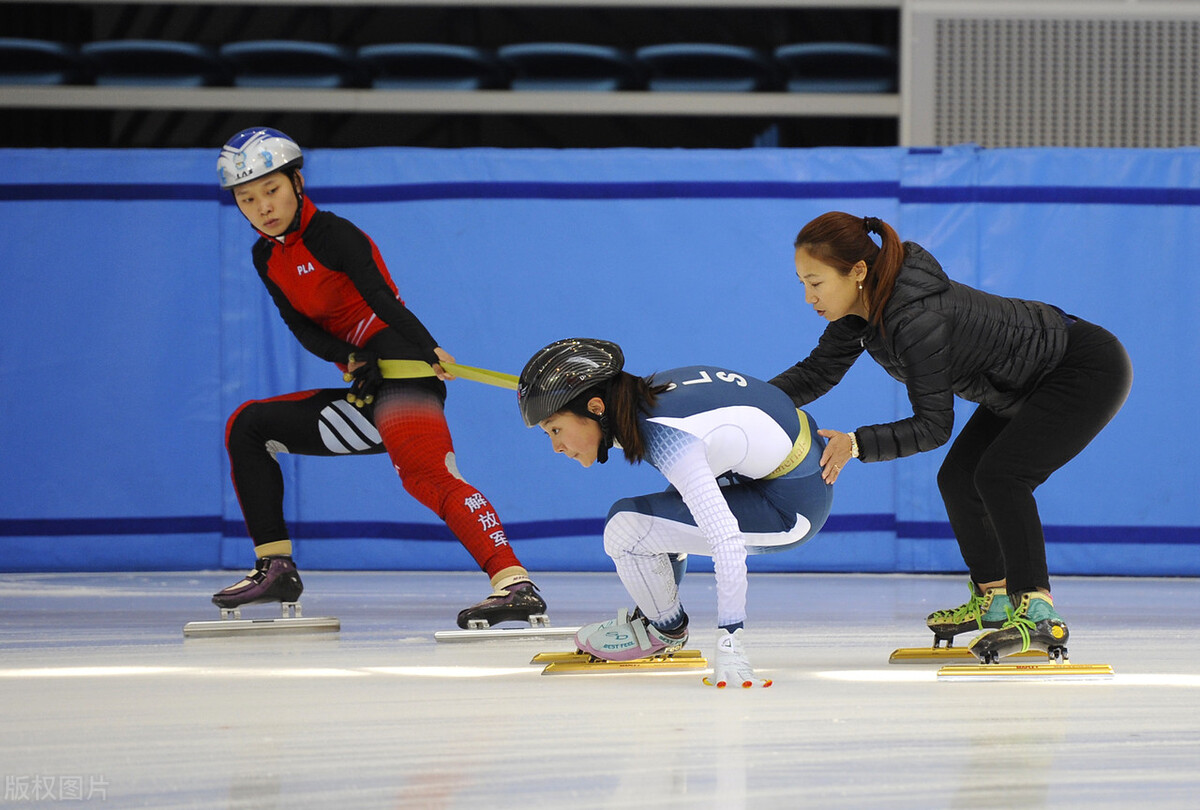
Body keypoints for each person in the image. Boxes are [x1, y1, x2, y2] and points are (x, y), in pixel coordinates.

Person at [212, 126, 546, 629]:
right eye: (247, 197)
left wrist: (427, 348)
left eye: (272, 190)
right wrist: (348, 356)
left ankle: (514, 584)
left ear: (297, 182)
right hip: (366, 385)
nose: (263, 206)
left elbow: (383, 300)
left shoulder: (335, 235)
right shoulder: (265, 256)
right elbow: (300, 327)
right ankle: (276, 567)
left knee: (428, 477)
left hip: (403, 367)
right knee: (249, 426)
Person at [771, 211, 1132, 662]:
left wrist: (857, 443)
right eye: (802, 283)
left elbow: (934, 426)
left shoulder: (915, 317)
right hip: (1019, 383)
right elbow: (816, 372)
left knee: (1003, 476)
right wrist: (748, 399)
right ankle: (996, 599)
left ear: (857, 271)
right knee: (960, 479)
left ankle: (1037, 611)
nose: (808, 297)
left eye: (815, 282)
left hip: (1082, 368)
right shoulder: (864, 311)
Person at [518, 338, 833, 687]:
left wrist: (731, 641)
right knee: (661, 514)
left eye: (556, 430)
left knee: (626, 528)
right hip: (785, 469)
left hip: (790, 509)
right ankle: (654, 617)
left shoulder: (669, 434)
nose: (557, 447)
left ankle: (663, 631)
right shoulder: (645, 396)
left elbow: (724, 538)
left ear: (595, 406)